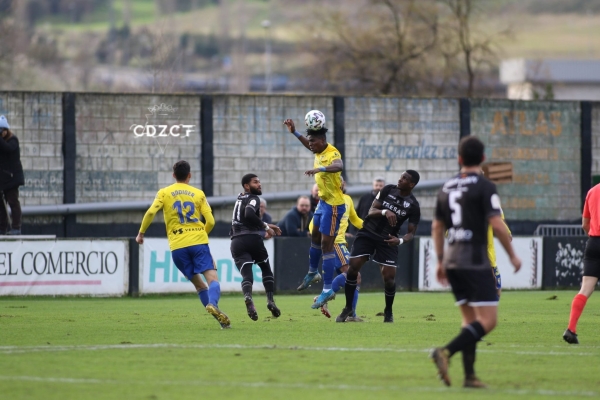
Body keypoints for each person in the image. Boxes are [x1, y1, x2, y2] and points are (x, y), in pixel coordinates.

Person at [429, 136, 521, 388]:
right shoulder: (485, 186)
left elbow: (437, 227)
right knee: (489, 320)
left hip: (452, 260)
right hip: (476, 259)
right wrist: (512, 255)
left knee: (470, 321)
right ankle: (445, 352)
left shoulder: (445, 188)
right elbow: (496, 224)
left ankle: (469, 376)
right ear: (482, 159)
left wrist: (439, 260)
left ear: (459, 159)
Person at [136, 160, 231, 329]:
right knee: (212, 280)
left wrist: (141, 233)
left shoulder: (164, 192)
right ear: (189, 175)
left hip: (177, 248)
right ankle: (214, 305)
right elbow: (210, 221)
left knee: (199, 285)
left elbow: (151, 212)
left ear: (174, 175)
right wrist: (201, 234)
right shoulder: (198, 193)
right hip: (198, 243)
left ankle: (221, 322)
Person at [335, 170, 421, 324]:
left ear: (411, 184)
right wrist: (385, 211)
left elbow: (411, 233)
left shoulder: (413, 205)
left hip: (388, 239)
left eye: (404, 178)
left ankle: (388, 310)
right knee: (352, 268)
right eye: (401, 176)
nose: (400, 179)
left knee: (389, 278)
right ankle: (348, 307)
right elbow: (371, 210)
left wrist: (400, 241)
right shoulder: (388, 189)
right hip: (368, 232)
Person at [284, 112, 346, 298]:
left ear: (321, 140)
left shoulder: (332, 152)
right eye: (309, 142)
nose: (309, 145)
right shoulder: (317, 150)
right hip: (323, 202)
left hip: (334, 205)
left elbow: (339, 165)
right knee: (315, 236)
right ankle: (313, 272)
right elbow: (307, 142)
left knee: (327, 246)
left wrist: (320, 169)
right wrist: (294, 132)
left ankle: (327, 289)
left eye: (312, 142)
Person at [230, 173, 283, 321]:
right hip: (252, 239)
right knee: (265, 268)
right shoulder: (253, 198)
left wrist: (269, 225)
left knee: (247, 274)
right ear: (247, 186)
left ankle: (248, 296)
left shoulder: (239, 198)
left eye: (259, 182)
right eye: (255, 182)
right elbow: (249, 214)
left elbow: (244, 219)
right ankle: (270, 301)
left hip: (236, 241)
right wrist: (266, 227)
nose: (259, 184)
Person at [310, 177, 364, 321]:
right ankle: (324, 296)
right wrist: (322, 237)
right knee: (354, 276)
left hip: (341, 244)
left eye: (341, 181)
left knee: (354, 279)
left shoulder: (347, 199)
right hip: (335, 243)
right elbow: (312, 225)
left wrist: (371, 229)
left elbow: (355, 220)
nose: (340, 183)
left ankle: (351, 314)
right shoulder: (326, 200)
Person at [563, 182, 600, 344]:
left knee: (585, 289)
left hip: (593, 244)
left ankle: (571, 328)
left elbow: (585, 224)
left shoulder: (592, 191)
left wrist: (593, 239)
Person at [0, 115, 24, 235]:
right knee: (1, 206)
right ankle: (2, 228)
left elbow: (8, 149)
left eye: (2, 131)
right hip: (3, 179)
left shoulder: (13, 140)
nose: (2, 134)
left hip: (12, 178)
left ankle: (16, 227)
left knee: (13, 202)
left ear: (6, 130)